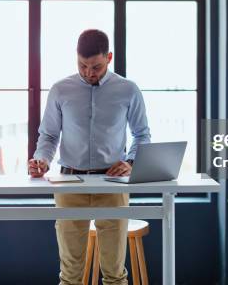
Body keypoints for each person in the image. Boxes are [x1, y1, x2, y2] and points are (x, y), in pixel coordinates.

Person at [29, 29, 151, 285]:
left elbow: (141, 135)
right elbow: (49, 136)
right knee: (70, 274)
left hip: (112, 184)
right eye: (82, 65)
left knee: (115, 273)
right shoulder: (61, 90)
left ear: (109, 57)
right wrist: (42, 160)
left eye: (95, 66)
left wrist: (130, 162)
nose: (88, 73)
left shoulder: (128, 90)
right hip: (69, 183)